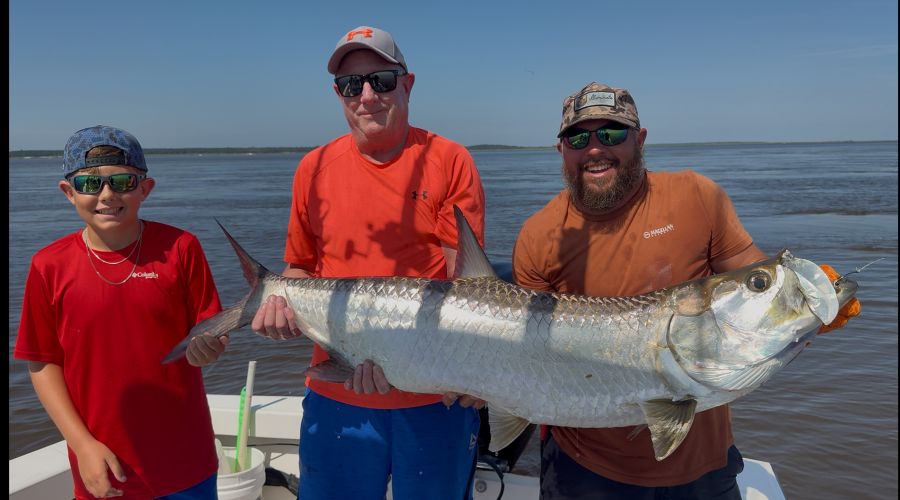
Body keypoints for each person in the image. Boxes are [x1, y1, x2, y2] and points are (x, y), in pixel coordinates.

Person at [512, 82, 861, 499]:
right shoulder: (539, 235)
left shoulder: (697, 197)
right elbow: (524, 355)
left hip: (703, 467)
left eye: (611, 133)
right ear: (561, 150)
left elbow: (754, 282)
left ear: (640, 139)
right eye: (578, 137)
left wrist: (804, 305)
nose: (594, 149)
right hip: (584, 469)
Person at [250, 26, 487, 500]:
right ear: (336, 93)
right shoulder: (312, 168)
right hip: (338, 393)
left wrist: (478, 375)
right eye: (349, 85)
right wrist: (277, 304)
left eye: (379, 80)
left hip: (434, 397)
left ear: (407, 83)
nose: (365, 96)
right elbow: (299, 269)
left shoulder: (450, 160)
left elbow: (468, 289)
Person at [13, 125, 229, 499]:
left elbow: (212, 330)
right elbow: (42, 363)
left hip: (185, 458)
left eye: (122, 182)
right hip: (102, 462)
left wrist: (211, 346)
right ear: (69, 192)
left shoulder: (181, 248)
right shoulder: (48, 265)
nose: (107, 195)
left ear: (145, 189)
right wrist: (82, 446)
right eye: (90, 184)